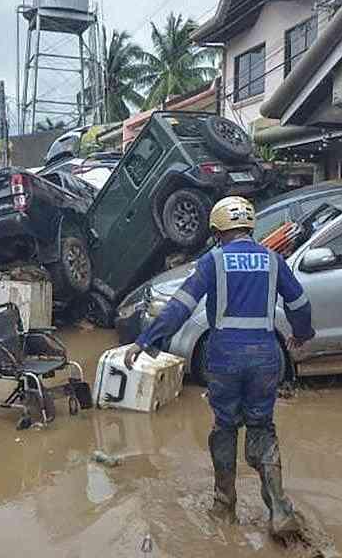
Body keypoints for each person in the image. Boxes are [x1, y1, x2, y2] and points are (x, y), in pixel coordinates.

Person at [124, 196, 315, 536]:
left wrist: (147, 340)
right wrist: (302, 335)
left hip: (225, 357)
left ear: (217, 230)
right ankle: (280, 511)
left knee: (225, 426)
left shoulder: (213, 261)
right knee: (262, 427)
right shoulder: (273, 260)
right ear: (249, 227)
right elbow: (299, 302)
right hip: (266, 356)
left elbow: (181, 306)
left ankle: (224, 507)